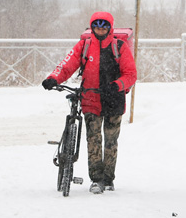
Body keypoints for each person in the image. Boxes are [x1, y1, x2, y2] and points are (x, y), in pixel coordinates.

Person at [42, 11, 137, 194]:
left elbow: (130, 74)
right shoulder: (84, 46)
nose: (100, 29)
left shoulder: (120, 47)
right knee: (93, 140)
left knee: (110, 141)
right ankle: (96, 180)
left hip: (114, 100)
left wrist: (117, 85)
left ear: (110, 27)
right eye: (96, 25)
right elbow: (67, 65)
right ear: (92, 27)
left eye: (104, 26)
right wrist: (54, 78)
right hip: (90, 99)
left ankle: (108, 179)